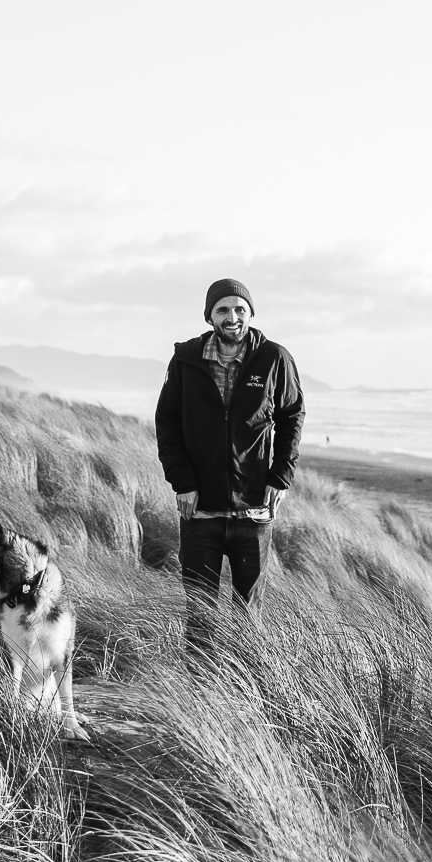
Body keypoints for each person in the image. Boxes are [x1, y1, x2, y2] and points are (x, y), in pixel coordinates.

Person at [154, 277, 304, 649]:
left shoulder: (274, 358)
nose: (232, 316)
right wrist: (183, 482)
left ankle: (242, 695)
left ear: (251, 313)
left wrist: (281, 477)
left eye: (240, 309)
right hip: (200, 511)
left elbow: (292, 415)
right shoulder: (186, 361)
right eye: (223, 309)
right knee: (201, 616)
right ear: (210, 317)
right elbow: (167, 421)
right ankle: (201, 696)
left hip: (253, 512)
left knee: (247, 618)